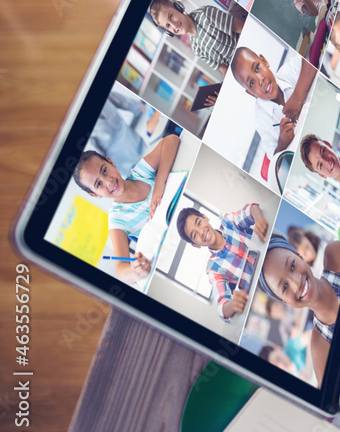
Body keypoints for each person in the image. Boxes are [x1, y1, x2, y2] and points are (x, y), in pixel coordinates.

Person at [73, 134, 180, 284]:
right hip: (176, 246)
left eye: (104, 170)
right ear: (95, 195)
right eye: (98, 184)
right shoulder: (117, 218)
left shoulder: (139, 173)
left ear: (110, 162)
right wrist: (134, 272)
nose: (108, 181)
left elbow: (171, 140)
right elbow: (121, 272)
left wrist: (160, 182)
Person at [259, 235, 340, 385]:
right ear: (286, 302)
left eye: (292, 265)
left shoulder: (334, 256)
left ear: (300, 256)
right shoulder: (320, 346)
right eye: (284, 287)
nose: (296, 283)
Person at [175, 203, 269, 322]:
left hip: (272, 251)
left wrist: (259, 219)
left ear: (205, 217)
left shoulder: (228, 222)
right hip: (263, 285)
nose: (201, 232)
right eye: (194, 235)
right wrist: (233, 304)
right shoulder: (213, 269)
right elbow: (222, 309)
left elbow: (252, 209)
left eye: (199, 223)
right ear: (195, 245)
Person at [230, 47, 317, 156]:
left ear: (264, 61)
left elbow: (313, 54)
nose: (260, 80)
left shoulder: (288, 71)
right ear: (251, 93)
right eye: (252, 83)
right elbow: (274, 156)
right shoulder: (261, 120)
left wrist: (297, 97)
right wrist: (282, 142)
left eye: (257, 68)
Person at [148, 0, 245, 73]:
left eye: (171, 16)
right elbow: (224, 69)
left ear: (178, 7)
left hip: (246, 49)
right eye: (168, 26)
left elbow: (242, 28)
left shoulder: (206, 14)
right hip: (240, 71)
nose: (174, 25)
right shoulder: (196, 48)